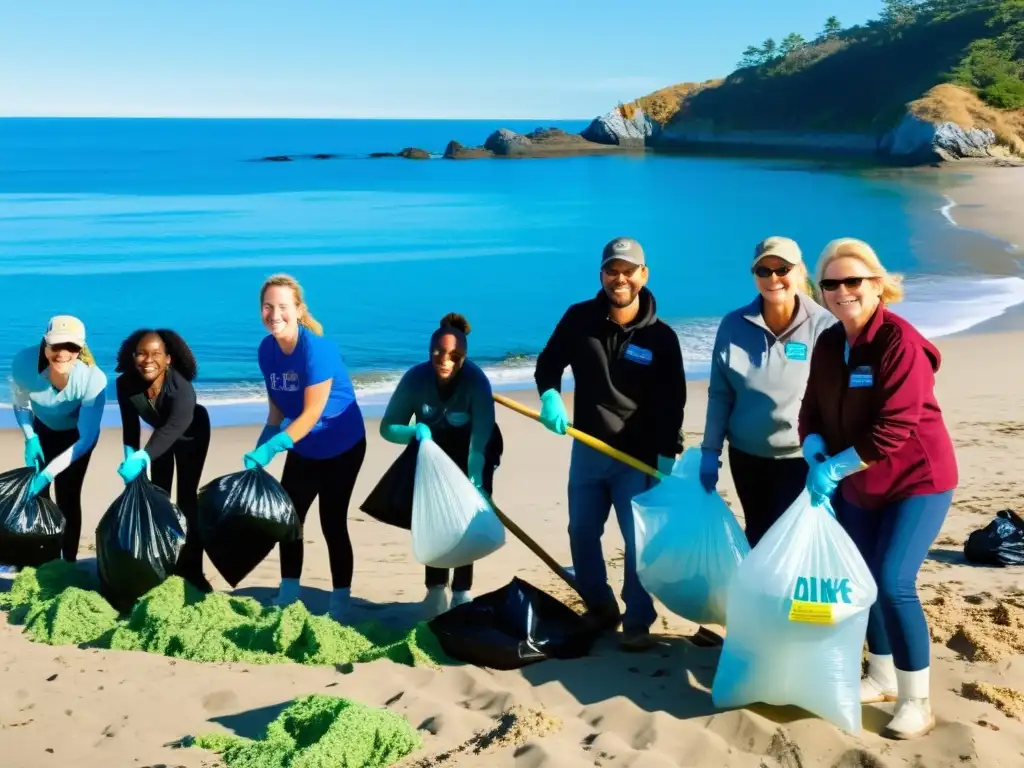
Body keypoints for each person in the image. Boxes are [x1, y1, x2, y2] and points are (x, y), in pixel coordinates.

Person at [798, 238, 958, 740]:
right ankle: (882, 675)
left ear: (877, 285)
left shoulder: (898, 342)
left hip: (918, 481)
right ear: (820, 292)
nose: (842, 291)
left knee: (892, 582)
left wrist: (835, 467)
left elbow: (895, 427)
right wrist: (813, 448)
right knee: (862, 583)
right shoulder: (828, 343)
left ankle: (916, 701)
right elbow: (811, 407)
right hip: (860, 482)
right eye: (831, 283)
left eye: (853, 281)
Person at [534, 236, 685, 652]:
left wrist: (667, 455)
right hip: (587, 447)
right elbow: (548, 364)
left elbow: (674, 402)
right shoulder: (579, 319)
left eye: (628, 271)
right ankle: (600, 607)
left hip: (635, 458)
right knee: (581, 531)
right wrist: (550, 395)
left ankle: (638, 619)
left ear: (643, 275)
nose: (620, 279)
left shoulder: (662, 339)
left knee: (637, 542)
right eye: (612, 271)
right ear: (601, 274)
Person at [700, 236, 836, 546]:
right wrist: (710, 452)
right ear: (754, 275)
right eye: (764, 271)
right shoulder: (733, 325)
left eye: (782, 269)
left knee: (794, 541)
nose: (773, 278)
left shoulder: (825, 326)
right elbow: (720, 394)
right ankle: (760, 596)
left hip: (802, 458)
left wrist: (833, 458)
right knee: (758, 537)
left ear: (799, 271)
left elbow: (833, 399)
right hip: (748, 458)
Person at [246, 273, 367, 622]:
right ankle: (287, 595)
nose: (274, 314)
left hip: (342, 445)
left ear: (298, 310)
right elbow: (278, 408)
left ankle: (340, 602)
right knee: (290, 521)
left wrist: (275, 446)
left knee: (332, 522)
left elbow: (313, 413)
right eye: (268, 307)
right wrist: (265, 440)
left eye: (283, 306)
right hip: (303, 446)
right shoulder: (266, 350)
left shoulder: (317, 349)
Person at [379, 313, 503, 616]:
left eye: (453, 355)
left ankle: (462, 591)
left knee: (464, 517)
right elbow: (388, 428)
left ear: (464, 356)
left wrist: (476, 484)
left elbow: (480, 443)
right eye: (438, 353)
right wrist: (413, 431)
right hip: (431, 449)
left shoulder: (476, 383)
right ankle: (435, 591)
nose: (444, 361)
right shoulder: (415, 379)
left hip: (476, 448)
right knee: (433, 514)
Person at [114, 328, 212, 592]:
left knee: (187, 499)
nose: (148, 359)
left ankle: (193, 569)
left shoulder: (182, 389)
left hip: (192, 436)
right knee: (159, 498)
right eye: (142, 354)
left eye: (156, 353)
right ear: (133, 356)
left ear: (168, 358)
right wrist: (130, 459)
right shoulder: (125, 384)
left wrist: (143, 456)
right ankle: (162, 562)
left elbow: (174, 428)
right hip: (160, 440)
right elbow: (130, 427)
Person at [9, 315, 106, 563]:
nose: (63, 353)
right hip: (43, 431)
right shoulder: (23, 363)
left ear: (81, 348)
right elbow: (21, 404)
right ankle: (45, 556)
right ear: (45, 343)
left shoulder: (93, 379)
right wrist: (30, 437)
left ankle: (69, 561)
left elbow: (86, 438)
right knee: (39, 496)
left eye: (72, 347)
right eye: (56, 346)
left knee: (68, 497)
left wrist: (49, 472)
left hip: (77, 438)